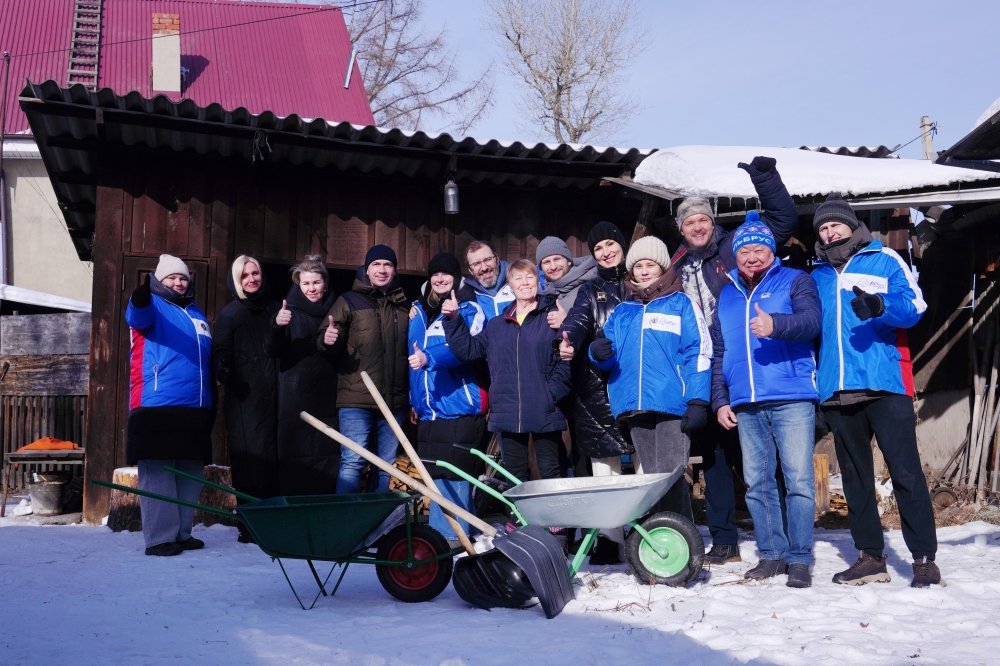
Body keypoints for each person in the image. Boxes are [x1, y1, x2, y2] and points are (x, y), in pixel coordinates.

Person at [671, 155, 798, 566]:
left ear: (711, 222)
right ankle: (724, 540)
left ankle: (784, 539)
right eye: (689, 222)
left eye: (702, 219)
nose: (697, 226)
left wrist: (765, 179)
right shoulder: (677, 265)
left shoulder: (735, 246)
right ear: (682, 229)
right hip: (702, 367)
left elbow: (781, 222)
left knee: (757, 456)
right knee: (713, 458)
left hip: (743, 359)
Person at [811, 194, 941, 588]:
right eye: (823, 227)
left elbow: (915, 307)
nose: (830, 231)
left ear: (852, 226)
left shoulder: (884, 259)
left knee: (904, 472)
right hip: (837, 389)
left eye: (836, 224)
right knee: (854, 478)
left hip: (885, 383)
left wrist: (882, 305)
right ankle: (870, 557)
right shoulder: (815, 275)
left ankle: (923, 559)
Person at [711, 216, 821, 588]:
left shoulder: (795, 281)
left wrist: (776, 325)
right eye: (745, 251)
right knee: (757, 483)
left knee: (799, 480)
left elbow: (812, 323)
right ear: (736, 256)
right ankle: (772, 555)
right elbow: (719, 351)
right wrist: (720, 400)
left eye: (759, 249)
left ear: (771, 252)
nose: (752, 257)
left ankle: (800, 558)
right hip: (745, 402)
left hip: (791, 395)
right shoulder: (726, 295)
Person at [589, 236, 711, 523]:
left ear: (662, 268)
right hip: (635, 407)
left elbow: (699, 351)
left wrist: (697, 400)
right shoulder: (622, 311)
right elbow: (610, 354)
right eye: (638, 266)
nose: (644, 271)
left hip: (672, 404)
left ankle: (683, 542)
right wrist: (598, 353)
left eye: (650, 265)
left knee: (669, 476)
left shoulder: (681, 303)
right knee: (651, 479)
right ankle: (659, 538)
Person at [442, 259, 571, 487]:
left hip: (543, 407)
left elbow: (566, 359)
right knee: (514, 476)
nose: (525, 283)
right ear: (510, 285)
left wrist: (550, 394)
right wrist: (453, 319)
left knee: (550, 470)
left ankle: (556, 522)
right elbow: (468, 349)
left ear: (537, 280)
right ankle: (518, 521)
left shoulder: (552, 317)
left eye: (530, 276)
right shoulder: (496, 325)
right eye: (518, 278)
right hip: (507, 408)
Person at [125, 254, 214, 556]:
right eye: (171, 277)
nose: (178, 282)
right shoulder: (150, 304)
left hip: (195, 405)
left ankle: (182, 532)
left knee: (190, 472)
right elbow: (137, 317)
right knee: (160, 473)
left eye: (183, 277)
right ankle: (161, 537)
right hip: (157, 404)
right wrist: (139, 297)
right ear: (159, 280)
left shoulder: (196, 312)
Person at [559, 221, 633, 564]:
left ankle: (650, 533)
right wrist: (569, 338)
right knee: (606, 470)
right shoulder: (590, 291)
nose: (605, 252)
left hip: (638, 387)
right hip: (598, 390)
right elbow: (577, 320)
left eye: (610, 244)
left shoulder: (639, 281)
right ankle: (610, 540)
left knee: (647, 467)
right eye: (598, 248)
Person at [408, 252, 489, 541]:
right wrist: (414, 399)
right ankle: (440, 539)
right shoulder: (418, 311)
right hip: (429, 409)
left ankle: (454, 540)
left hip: (459, 404)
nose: (440, 279)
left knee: (457, 478)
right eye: (435, 274)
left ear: (457, 277)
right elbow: (412, 357)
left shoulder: (471, 310)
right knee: (437, 479)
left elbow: (465, 352)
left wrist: (429, 358)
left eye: (446, 274)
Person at [318, 244, 409, 494]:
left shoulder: (402, 307)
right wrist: (328, 340)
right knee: (353, 462)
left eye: (387, 265)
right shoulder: (348, 301)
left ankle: (378, 526)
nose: (382, 270)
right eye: (376, 265)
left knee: (386, 466)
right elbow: (325, 339)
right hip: (356, 400)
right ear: (366, 270)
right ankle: (346, 525)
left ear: (394, 270)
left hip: (394, 401)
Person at [213, 255, 279, 540]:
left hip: (274, 395)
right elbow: (220, 353)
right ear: (237, 280)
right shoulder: (231, 314)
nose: (252, 279)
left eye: (255, 273)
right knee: (250, 461)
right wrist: (227, 373)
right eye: (245, 276)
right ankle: (250, 525)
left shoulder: (273, 309)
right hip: (244, 398)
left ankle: (271, 520)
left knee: (272, 460)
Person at [267, 254, 339, 495]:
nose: (311, 288)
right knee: (295, 460)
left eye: (316, 282)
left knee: (326, 458)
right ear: (298, 284)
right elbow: (273, 350)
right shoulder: (287, 312)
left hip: (328, 395)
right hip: (294, 396)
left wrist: (332, 342)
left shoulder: (336, 310)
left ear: (325, 283)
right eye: (306, 283)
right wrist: (277, 327)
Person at [536, 235, 598, 330]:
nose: (553, 266)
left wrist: (567, 321)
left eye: (557, 259)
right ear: (541, 268)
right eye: (546, 262)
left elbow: (602, 324)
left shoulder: (589, 287)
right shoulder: (546, 294)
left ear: (568, 261)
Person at [463, 240, 516, 319]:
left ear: (497, 260)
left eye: (488, 259)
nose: (484, 268)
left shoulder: (517, 283)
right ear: (470, 270)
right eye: (476, 264)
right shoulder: (468, 296)